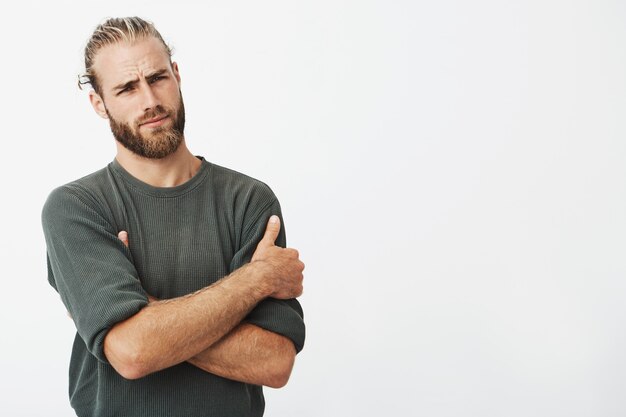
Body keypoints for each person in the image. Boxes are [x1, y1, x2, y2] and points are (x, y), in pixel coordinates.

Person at [41, 16, 305, 417]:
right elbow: (132, 354)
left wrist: (146, 315)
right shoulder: (76, 208)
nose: (149, 101)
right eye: (127, 88)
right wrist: (256, 278)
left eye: (157, 78)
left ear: (177, 76)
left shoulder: (248, 201)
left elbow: (274, 362)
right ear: (99, 103)